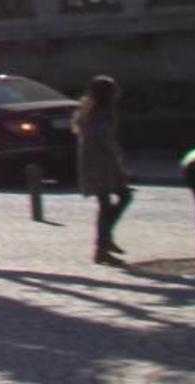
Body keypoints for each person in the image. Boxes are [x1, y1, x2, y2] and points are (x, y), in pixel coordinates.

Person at [75, 75, 132, 266]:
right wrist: (118, 155)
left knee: (112, 201)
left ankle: (105, 241)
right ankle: (102, 247)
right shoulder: (98, 111)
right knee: (117, 199)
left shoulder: (91, 108)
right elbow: (103, 137)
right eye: (114, 89)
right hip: (100, 162)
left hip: (98, 160)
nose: (117, 92)